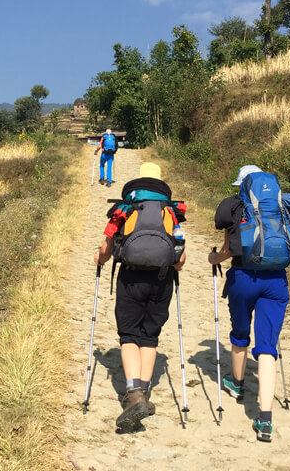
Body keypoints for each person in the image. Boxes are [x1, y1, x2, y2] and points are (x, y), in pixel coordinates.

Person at [94, 162, 187, 432]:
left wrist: (97, 259)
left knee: (129, 335)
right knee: (149, 335)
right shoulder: (171, 211)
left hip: (130, 277)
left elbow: (107, 248)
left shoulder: (124, 208)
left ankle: (133, 392)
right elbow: (180, 260)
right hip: (161, 279)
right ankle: (144, 393)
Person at [208, 164, 290, 443]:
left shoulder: (232, 206)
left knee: (240, 333)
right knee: (267, 347)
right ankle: (265, 419)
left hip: (243, 277)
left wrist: (213, 260)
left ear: (242, 186)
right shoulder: (279, 204)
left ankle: (237, 383)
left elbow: (229, 248)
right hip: (276, 280)